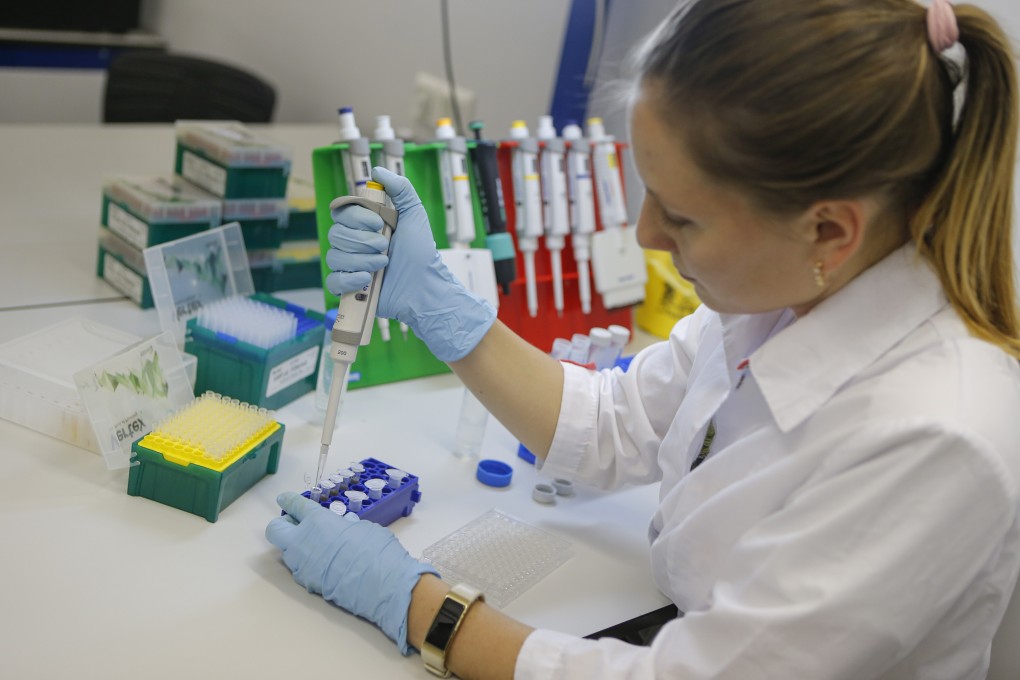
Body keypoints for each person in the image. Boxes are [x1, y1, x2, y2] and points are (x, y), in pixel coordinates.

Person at [265, 0, 1020, 677]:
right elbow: (617, 423)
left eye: (683, 216)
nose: (644, 234)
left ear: (827, 229)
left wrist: (418, 605)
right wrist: (443, 312)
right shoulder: (785, 292)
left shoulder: (934, 435)